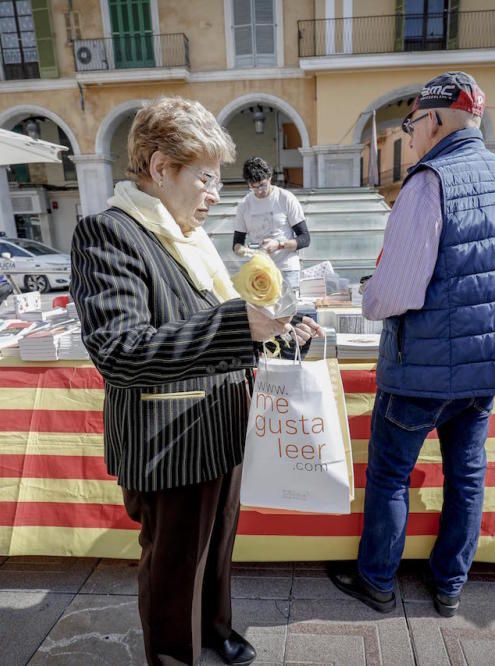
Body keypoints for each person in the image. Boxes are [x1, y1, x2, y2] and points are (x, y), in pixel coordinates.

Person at [70, 97, 321, 666]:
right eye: (205, 178)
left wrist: (282, 333)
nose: (215, 194)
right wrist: (239, 323)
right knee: (175, 563)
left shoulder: (189, 237)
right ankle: (174, 655)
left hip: (221, 426)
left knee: (217, 547)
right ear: (160, 168)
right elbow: (119, 351)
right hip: (170, 438)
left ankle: (214, 629)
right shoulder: (110, 233)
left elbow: (223, 328)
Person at [327, 72, 495, 619]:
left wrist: (368, 299)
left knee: (390, 474)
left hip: (422, 366)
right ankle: (449, 585)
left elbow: (394, 292)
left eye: (412, 123)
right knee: (467, 475)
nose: (410, 133)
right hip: (484, 365)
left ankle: (376, 581)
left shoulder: (429, 180)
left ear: (436, 119)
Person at [232, 157, 310, 293]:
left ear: (270, 177)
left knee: (288, 312)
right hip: (259, 270)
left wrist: (279, 245)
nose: (259, 191)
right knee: (262, 313)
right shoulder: (244, 205)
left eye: (262, 185)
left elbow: (305, 238)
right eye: (253, 187)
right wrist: (248, 250)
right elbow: (237, 244)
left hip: (286, 269)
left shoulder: (285, 198)